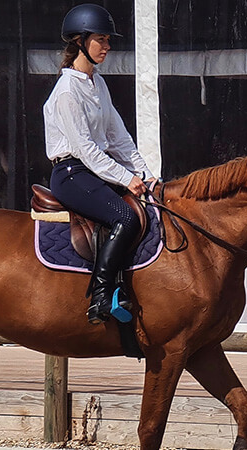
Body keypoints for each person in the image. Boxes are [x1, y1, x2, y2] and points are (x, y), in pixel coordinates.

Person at [44, 3, 156, 324]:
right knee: (124, 216)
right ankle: (101, 296)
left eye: (108, 40)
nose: (108, 47)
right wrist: (126, 178)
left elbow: (119, 138)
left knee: (141, 211)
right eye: (101, 40)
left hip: (95, 170)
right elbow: (86, 150)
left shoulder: (98, 83)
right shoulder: (67, 91)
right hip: (71, 173)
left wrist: (146, 176)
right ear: (80, 41)